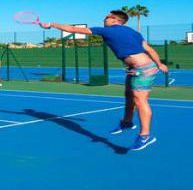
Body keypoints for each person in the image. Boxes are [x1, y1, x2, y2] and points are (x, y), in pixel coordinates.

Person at [41, 10, 168, 151]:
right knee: (128, 95)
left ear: (115, 20)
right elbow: (149, 50)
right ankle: (127, 122)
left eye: (107, 17)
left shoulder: (108, 31)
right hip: (137, 67)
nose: (104, 19)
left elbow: (73, 29)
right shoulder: (133, 33)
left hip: (143, 69)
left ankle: (145, 135)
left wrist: (51, 24)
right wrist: (159, 63)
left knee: (140, 100)